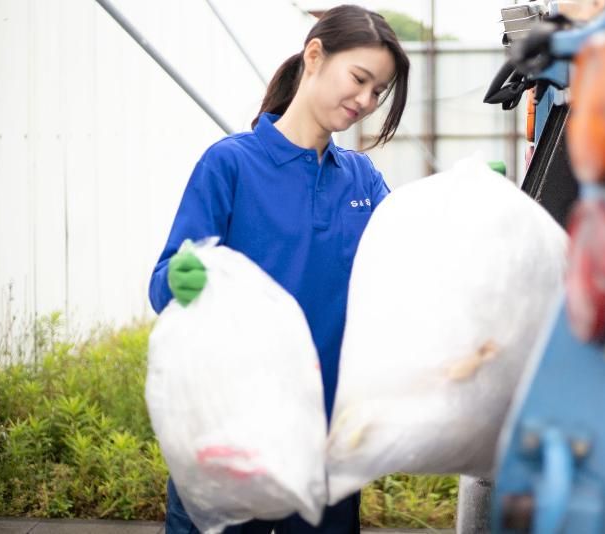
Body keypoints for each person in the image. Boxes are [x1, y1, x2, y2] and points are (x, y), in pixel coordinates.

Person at [147, 5, 410, 533]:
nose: (366, 100)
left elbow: (409, 256)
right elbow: (164, 284)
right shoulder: (231, 164)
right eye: (359, 78)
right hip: (228, 439)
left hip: (325, 452)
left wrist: (466, 208)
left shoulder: (361, 179)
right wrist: (180, 278)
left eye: (378, 91)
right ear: (314, 56)